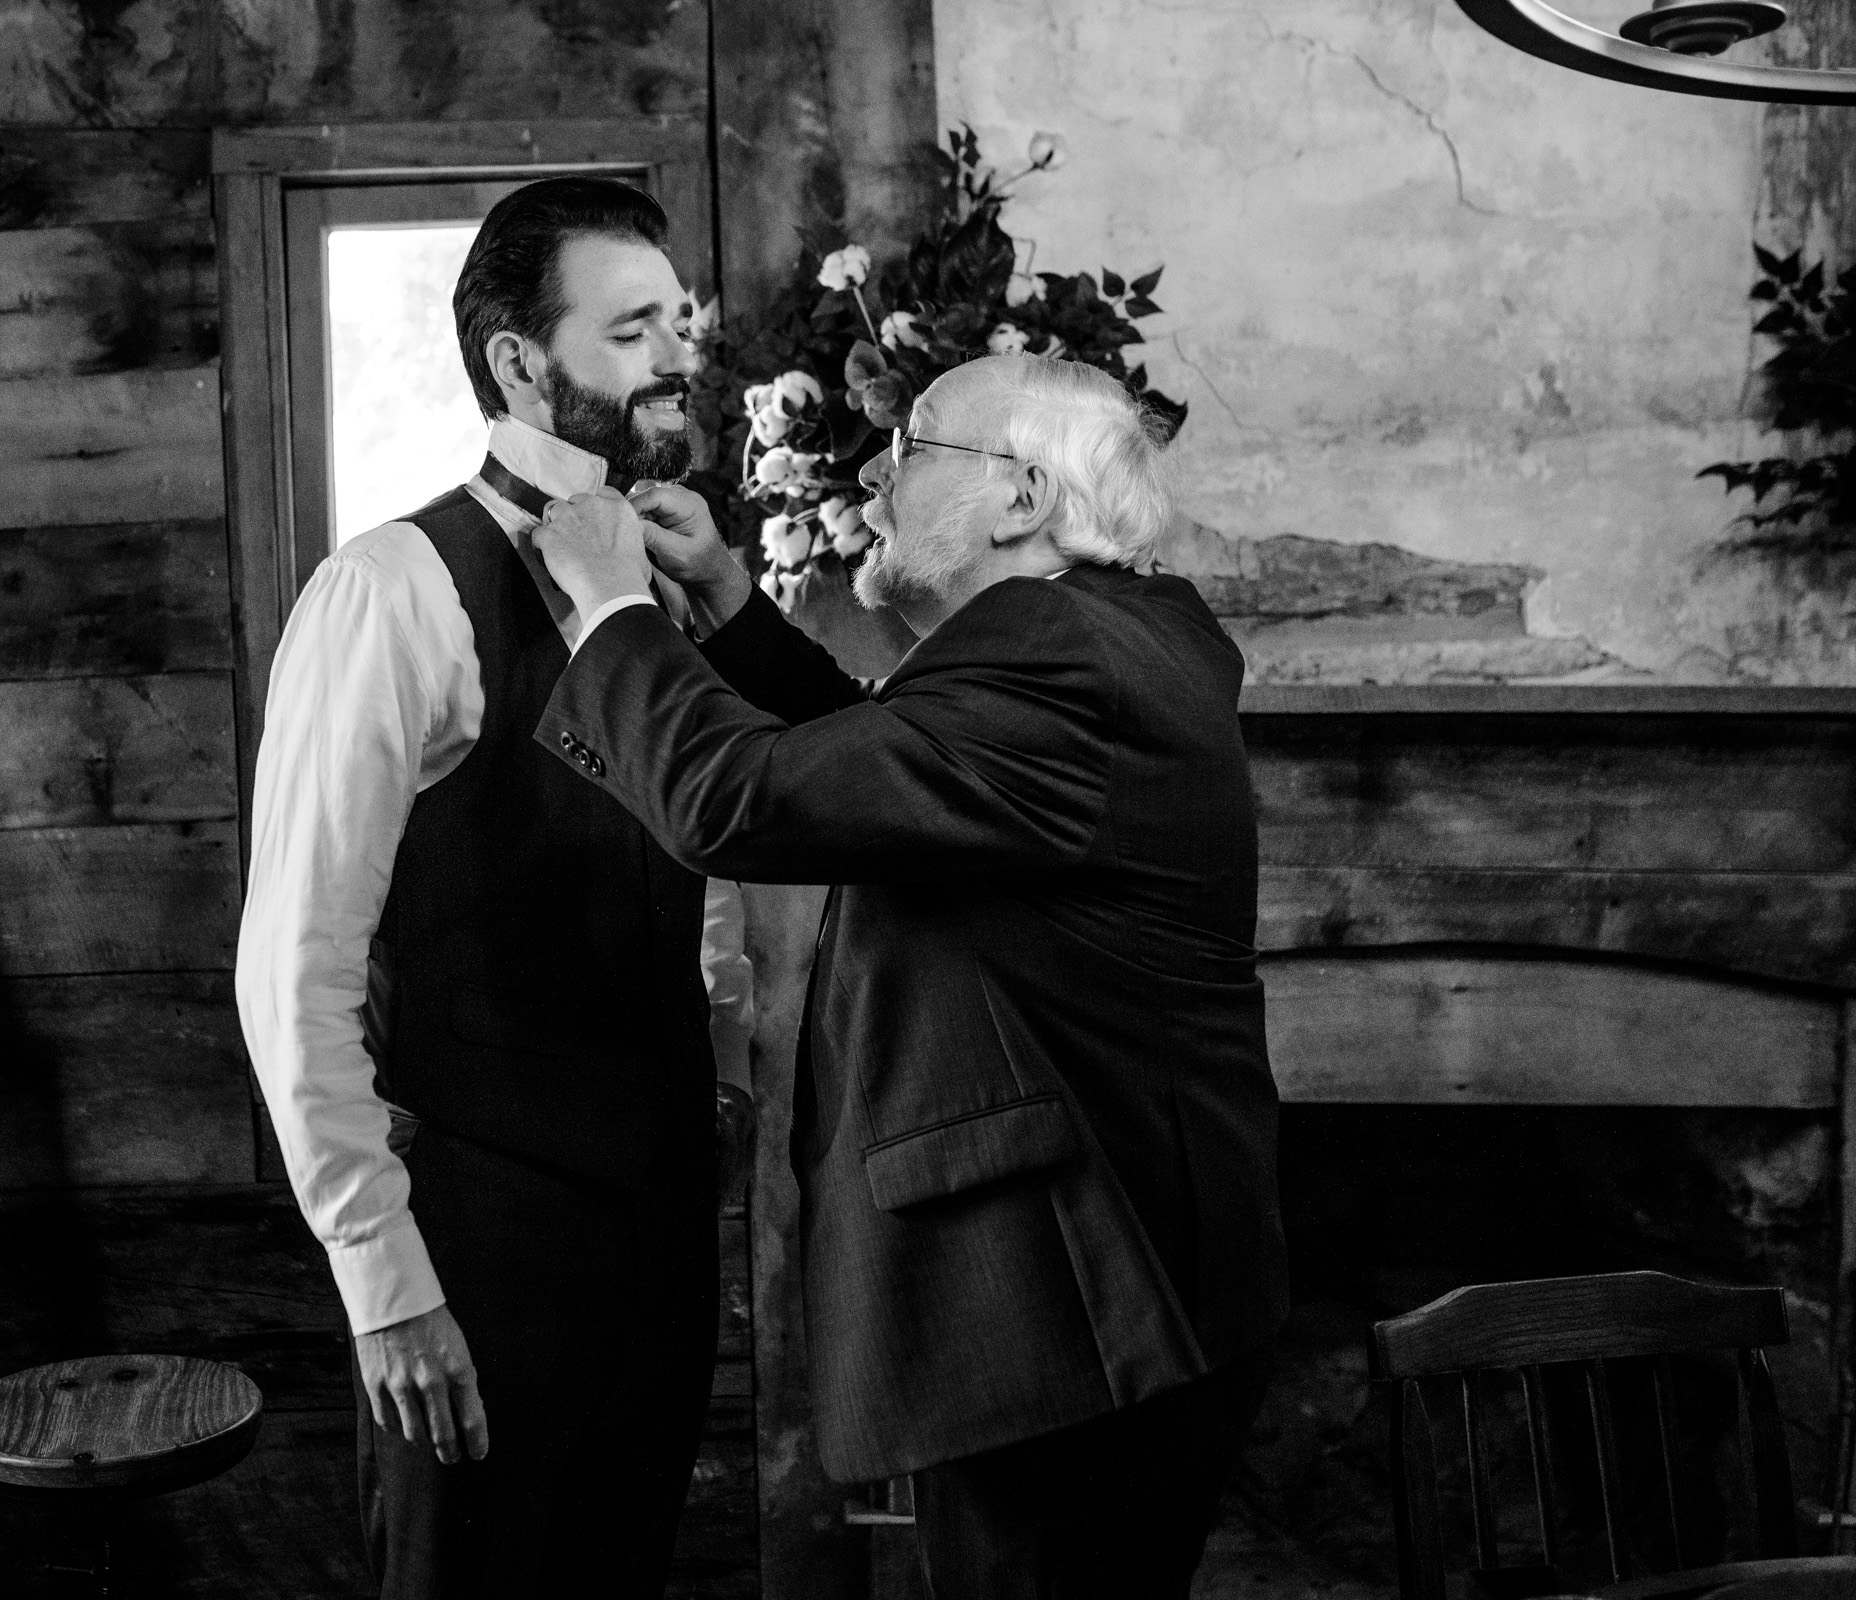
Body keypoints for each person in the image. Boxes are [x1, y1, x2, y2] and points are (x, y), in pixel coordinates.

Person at [526, 354, 1290, 1599]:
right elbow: (894, 767)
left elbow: (741, 800)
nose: (876, 473)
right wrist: (723, 594)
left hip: (1074, 1313)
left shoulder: (1053, 655)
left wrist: (610, 610)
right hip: (1121, 1283)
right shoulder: (1114, 632)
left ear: (1021, 497)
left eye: (916, 447)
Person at [234, 176, 732, 1600]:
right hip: (479, 1242)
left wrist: (723, 1058)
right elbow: (295, 967)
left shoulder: (672, 579)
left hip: (659, 1228)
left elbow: (695, 880)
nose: (676, 358)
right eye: (632, 330)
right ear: (522, 364)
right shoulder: (392, 591)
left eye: (677, 325)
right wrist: (384, 1286)